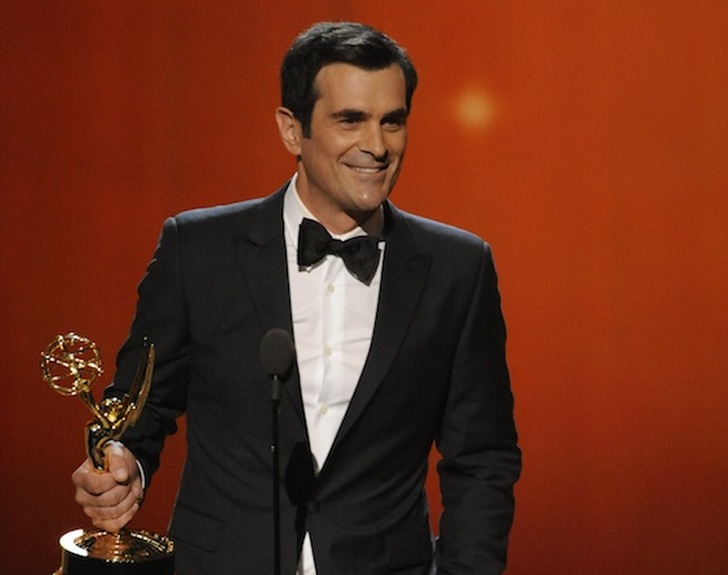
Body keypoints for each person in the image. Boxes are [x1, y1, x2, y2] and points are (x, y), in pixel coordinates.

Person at [71, 21, 521, 574]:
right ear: (292, 130)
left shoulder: (458, 268)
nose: (377, 146)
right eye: (350, 120)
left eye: (392, 121)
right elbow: (141, 404)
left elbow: (482, 458)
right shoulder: (199, 251)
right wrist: (124, 465)